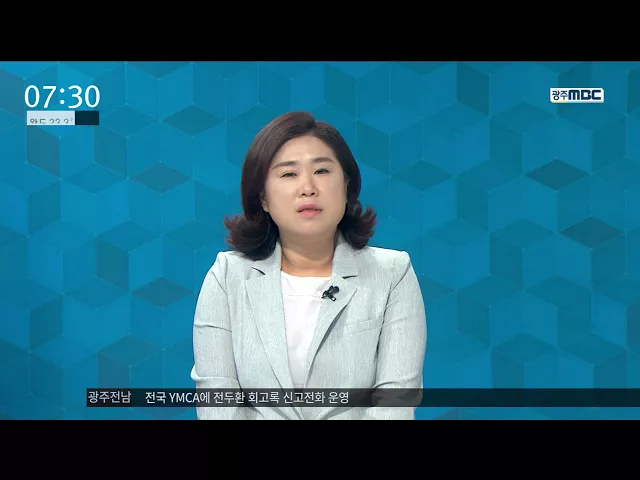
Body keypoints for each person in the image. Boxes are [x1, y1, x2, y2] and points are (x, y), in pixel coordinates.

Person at [190, 111, 427, 420]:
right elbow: (216, 401)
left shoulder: (392, 273)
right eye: (289, 174)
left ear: (346, 185)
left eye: (322, 171)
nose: (308, 187)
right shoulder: (227, 277)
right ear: (263, 198)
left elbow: (395, 403)